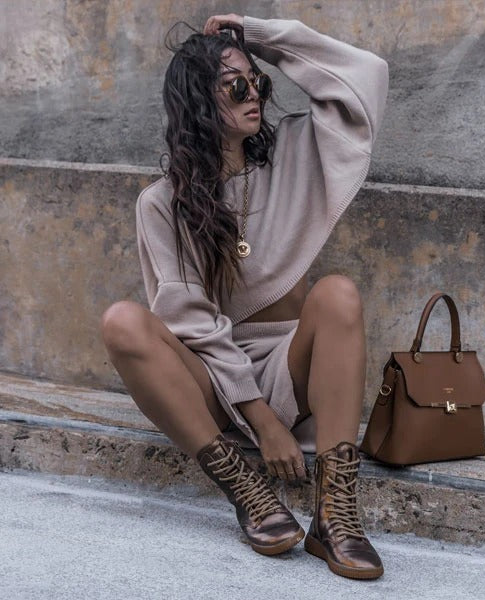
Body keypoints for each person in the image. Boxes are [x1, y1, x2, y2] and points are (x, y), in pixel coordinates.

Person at [101, 12, 388, 580]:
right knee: (122, 322)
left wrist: (258, 37)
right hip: (214, 381)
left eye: (257, 82)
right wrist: (263, 423)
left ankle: (335, 513)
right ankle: (247, 490)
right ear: (199, 101)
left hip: (290, 366)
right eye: (236, 85)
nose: (253, 92)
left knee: (337, 293)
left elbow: (367, 75)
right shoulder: (164, 203)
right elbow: (190, 323)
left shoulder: (297, 153)